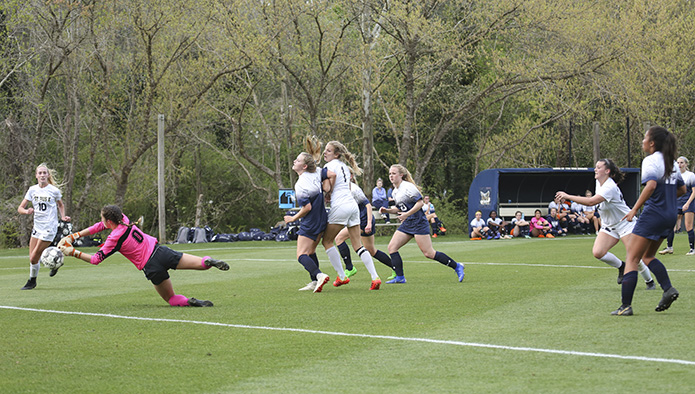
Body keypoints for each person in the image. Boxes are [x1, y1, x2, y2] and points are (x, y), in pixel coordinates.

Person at [58, 205, 229, 306]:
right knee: (200, 263)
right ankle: (208, 261)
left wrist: (72, 252)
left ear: (109, 221)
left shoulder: (114, 238)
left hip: (151, 266)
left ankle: (189, 301)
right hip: (162, 252)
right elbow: (99, 226)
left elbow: (95, 259)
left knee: (171, 298)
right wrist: (75, 236)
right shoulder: (123, 219)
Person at [611, 126, 685, 316]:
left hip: (653, 214)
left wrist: (634, 209)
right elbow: (682, 190)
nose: (642, 141)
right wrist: (666, 198)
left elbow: (651, 185)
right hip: (669, 216)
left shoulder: (650, 161)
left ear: (652, 143)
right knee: (648, 256)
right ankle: (668, 289)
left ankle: (625, 306)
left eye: (645, 138)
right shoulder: (672, 163)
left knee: (632, 259)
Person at [555, 159, 655, 289]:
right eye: (595, 167)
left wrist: (567, 196)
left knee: (634, 256)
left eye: (598, 167)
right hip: (609, 225)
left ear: (607, 171)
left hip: (625, 223)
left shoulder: (609, 186)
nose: (595, 169)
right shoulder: (598, 182)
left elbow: (591, 202)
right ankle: (621, 266)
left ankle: (650, 281)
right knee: (598, 252)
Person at [378, 164, 464, 283]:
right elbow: (399, 208)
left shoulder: (408, 187)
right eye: (390, 174)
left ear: (401, 175)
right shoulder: (394, 192)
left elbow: (420, 203)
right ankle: (400, 277)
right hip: (408, 223)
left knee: (429, 253)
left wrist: (406, 214)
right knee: (392, 247)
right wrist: (387, 210)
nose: (391, 176)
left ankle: (457, 266)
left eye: (393, 173)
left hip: (419, 222)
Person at [320, 140, 381, 290]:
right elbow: (345, 187)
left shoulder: (329, 166)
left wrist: (326, 194)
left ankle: (342, 276)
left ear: (336, 154)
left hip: (340, 206)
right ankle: (375, 277)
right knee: (358, 246)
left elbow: (327, 187)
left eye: (328, 151)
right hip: (353, 206)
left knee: (327, 242)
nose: (324, 153)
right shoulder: (344, 168)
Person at [283, 139, 331, 292]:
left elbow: (307, 207)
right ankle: (314, 281)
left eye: (297, 160)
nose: (294, 161)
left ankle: (319, 275)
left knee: (301, 255)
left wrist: (293, 218)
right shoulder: (317, 172)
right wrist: (327, 189)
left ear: (303, 166)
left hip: (310, 221)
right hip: (322, 218)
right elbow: (332, 174)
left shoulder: (300, 184)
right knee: (311, 252)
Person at [17, 163, 71, 289]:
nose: (42, 175)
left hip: (49, 227)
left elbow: (60, 205)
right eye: (40, 173)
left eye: (44, 173)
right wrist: (26, 211)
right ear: (36, 176)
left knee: (34, 257)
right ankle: (55, 262)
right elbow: (20, 208)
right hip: (37, 227)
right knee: (32, 258)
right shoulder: (32, 190)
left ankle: (32, 281)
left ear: (48, 175)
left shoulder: (54, 191)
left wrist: (63, 217)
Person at [336, 175, 393, 279]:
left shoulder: (354, 189)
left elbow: (368, 206)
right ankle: (396, 268)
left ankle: (350, 268)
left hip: (363, 221)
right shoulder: (341, 189)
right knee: (371, 250)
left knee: (339, 238)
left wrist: (369, 223)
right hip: (358, 221)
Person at [658, 156, 695, 255]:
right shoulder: (674, 175)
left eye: (682, 163)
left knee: (688, 226)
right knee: (670, 225)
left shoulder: (690, 175)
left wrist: (687, 204)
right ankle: (669, 247)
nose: (679, 165)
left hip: (688, 203)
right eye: (678, 163)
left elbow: (694, 192)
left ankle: (692, 249)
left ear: (686, 164)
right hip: (676, 203)